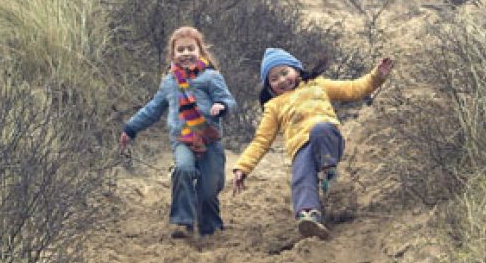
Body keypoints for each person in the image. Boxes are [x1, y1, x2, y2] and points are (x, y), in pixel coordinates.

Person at [231, 48, 393, 239]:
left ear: (297, 70)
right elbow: (261, 141)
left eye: (285, 73)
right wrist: (243, 168)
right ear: (269, 87)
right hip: (301, 149)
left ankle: (328, 174)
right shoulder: (274, 106)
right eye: (274, 79)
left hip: (328, 141)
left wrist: (376, 76)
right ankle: (308, 216)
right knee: (301, 176)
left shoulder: (317, 84)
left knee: (320, 129)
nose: (282, 80)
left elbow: (353, 88)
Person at [119, 26, 236, 239]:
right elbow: (153, 109)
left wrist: (222, 106)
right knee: (183, 169)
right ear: (173, 54)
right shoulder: (169, 82)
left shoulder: (211, 77)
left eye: (191, 48)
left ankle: (210, 225)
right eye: (180, 50)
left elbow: (228, 100)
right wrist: (131, 128)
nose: (186, 53)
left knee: (210, 188)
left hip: (210, 139)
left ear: (200, 50)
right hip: (182, 139)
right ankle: (183, 221)